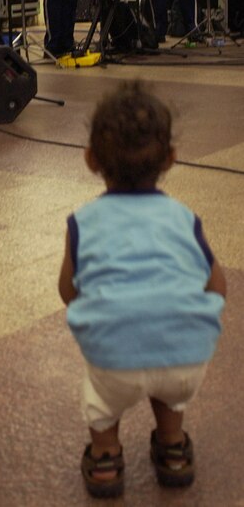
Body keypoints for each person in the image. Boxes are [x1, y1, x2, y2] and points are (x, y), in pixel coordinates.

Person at [58, 80, 226, 499]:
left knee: (101, 397)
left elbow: (67, 290)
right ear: (171, 158)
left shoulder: (83, 222)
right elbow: (217, 284)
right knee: (169, 387)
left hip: (114, 358)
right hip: (186, 358)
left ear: (91, 160)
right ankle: (172, 450)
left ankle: (105, 460)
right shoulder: (184, 218)